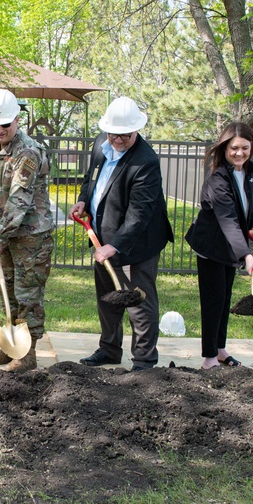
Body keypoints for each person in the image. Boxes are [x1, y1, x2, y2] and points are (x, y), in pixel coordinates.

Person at [71, 96, 173, 372]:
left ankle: (144, 361)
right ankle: (109, 350)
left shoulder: (145, 163)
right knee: (108, 298)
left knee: (138, 302)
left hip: (136, 244)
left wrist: (114, 246)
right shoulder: (99, 144)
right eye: (113, 133)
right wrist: (83, 200)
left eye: (125, 135)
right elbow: (90, 178)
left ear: (136, 130)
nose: (118, 139)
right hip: (103, 237)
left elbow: (139, 214)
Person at [0, 89, 54, 373]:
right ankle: (12, 345)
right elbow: (2, 188)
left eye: (5, 124)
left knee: (27, 295)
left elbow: (19, 201)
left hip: (31, 238)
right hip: (9, 233)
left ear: (17, 120)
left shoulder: (28, 152)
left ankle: (28, 353)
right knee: (7, 290)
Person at [184, 122, 253, 369]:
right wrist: (247, 255)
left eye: (244, 148)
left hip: (230, 247)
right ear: (224, 148)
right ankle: (209, 358)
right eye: (234, 148)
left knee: (224, 297)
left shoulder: (247, 171)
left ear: (251, 148)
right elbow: (228, 219)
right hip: (211, 247)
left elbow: (245, 206)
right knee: (213, 301)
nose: (239, 153)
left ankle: (220, 349)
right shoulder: (217, 179)